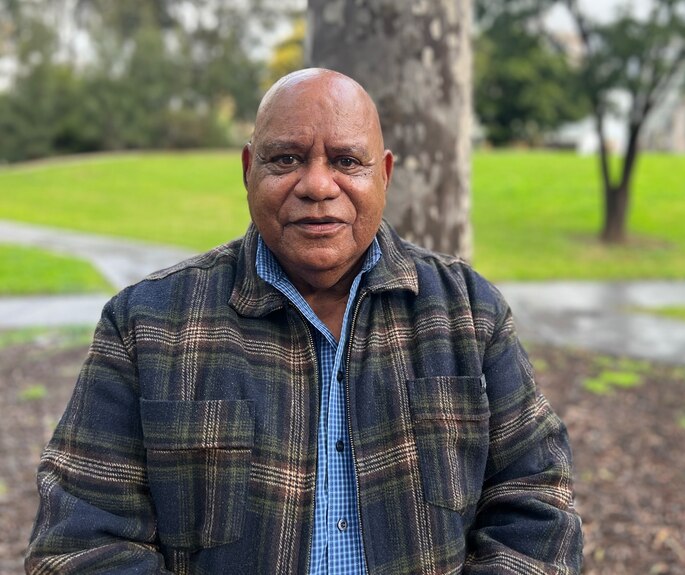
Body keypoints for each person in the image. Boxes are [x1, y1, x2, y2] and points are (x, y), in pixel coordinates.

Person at [27, 68, 583, 574]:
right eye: (286, 159)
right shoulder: (147, 325)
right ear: (249, 170)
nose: (318, 186)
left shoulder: (469, 312)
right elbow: (78, 543)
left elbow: (539, 502)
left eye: (346, 160)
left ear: (384, 175)